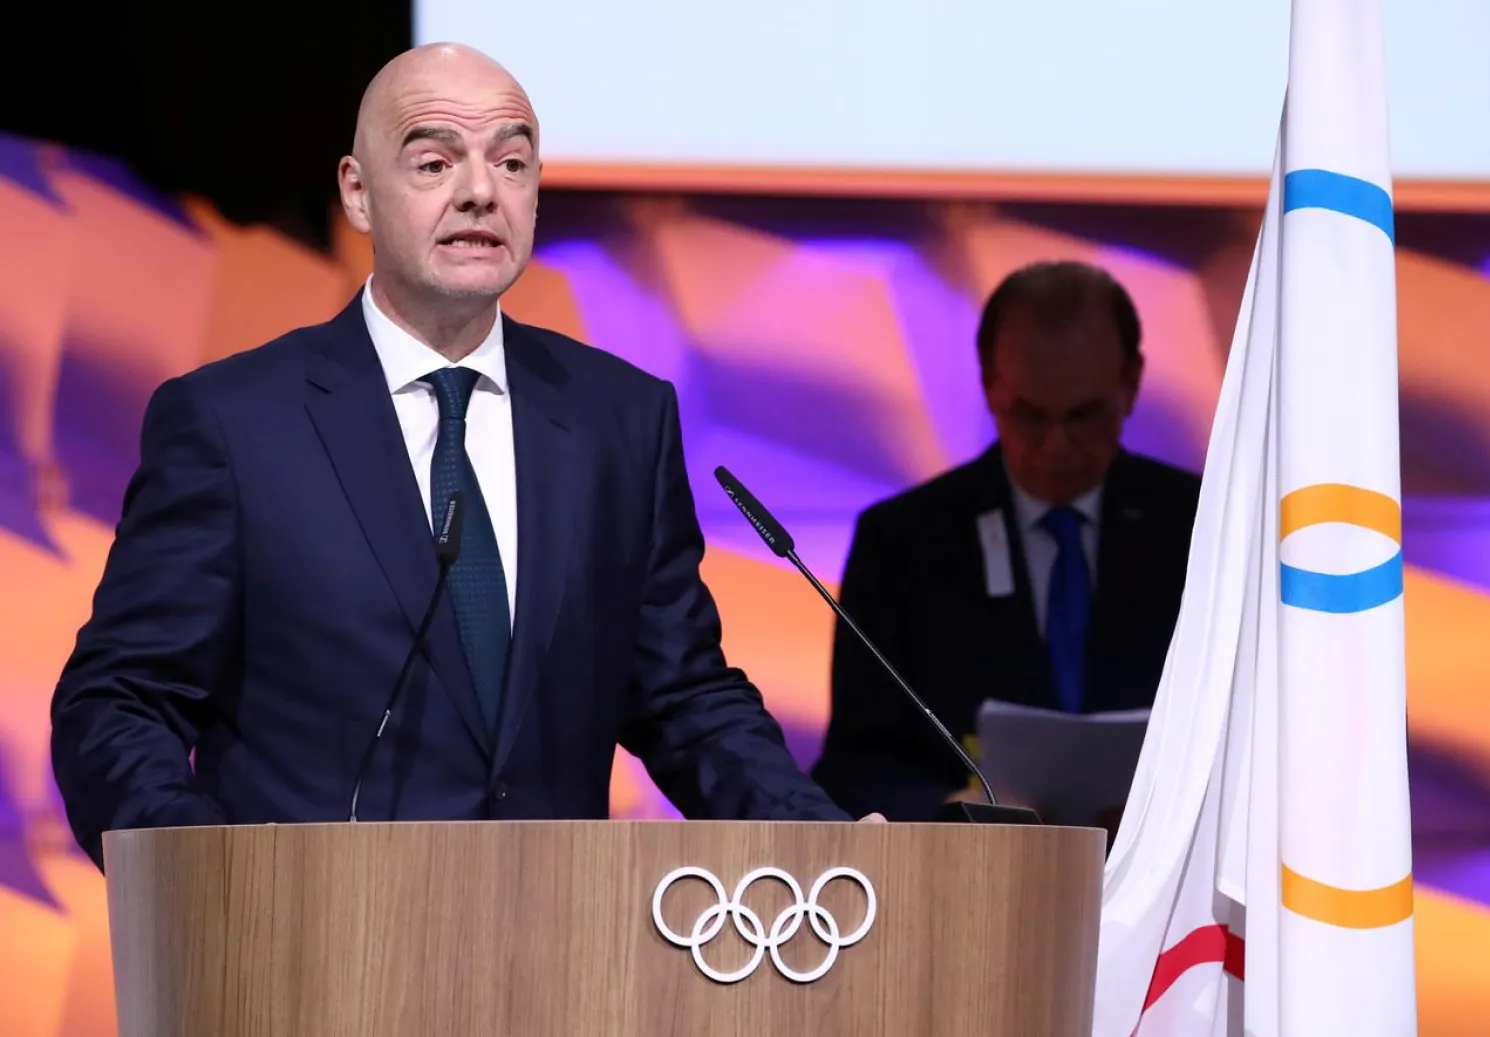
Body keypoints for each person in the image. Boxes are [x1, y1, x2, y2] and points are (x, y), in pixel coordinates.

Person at [50, 43, 874, 871]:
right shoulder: (236, 423)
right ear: (358, 193)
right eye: (436, 162)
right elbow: (120, 701)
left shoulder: (618, 419)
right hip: (310, 934)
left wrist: (824, 842)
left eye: (511, 163)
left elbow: (684, 696)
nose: (482, 191)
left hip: (560, 931)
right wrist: (206, 874)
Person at [810, 261, 1200, 822]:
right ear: (990, 388)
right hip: (972, 866)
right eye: (1030, 416)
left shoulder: (1199, 529)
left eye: (1084, 416)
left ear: (1131, 384)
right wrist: (953, 814)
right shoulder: (903, 543)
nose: (1057, 445)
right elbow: (856, 770)